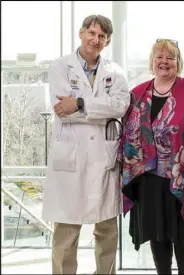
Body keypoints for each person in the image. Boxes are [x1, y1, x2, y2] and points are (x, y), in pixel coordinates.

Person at [118, 39, 184, 275]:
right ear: (152, 61)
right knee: (158, 232)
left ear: (178, 62)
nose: (164, 62)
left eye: (170, 57)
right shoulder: (137, 94)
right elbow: (127, 134)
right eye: (159, 57)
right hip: (150, 179)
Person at [41, 15, 130, 274]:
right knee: (65, 237)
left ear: (108, 41)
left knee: (107, 234)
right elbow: (62, 109)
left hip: (103, 160)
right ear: (81, 33)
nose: (96, 39)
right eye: (91, 33)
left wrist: (79, 104)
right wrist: (100, 110)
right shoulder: (60, 67)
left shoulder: (115, 72)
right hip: (71, 159)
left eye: (102, 36)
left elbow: (121, 105)